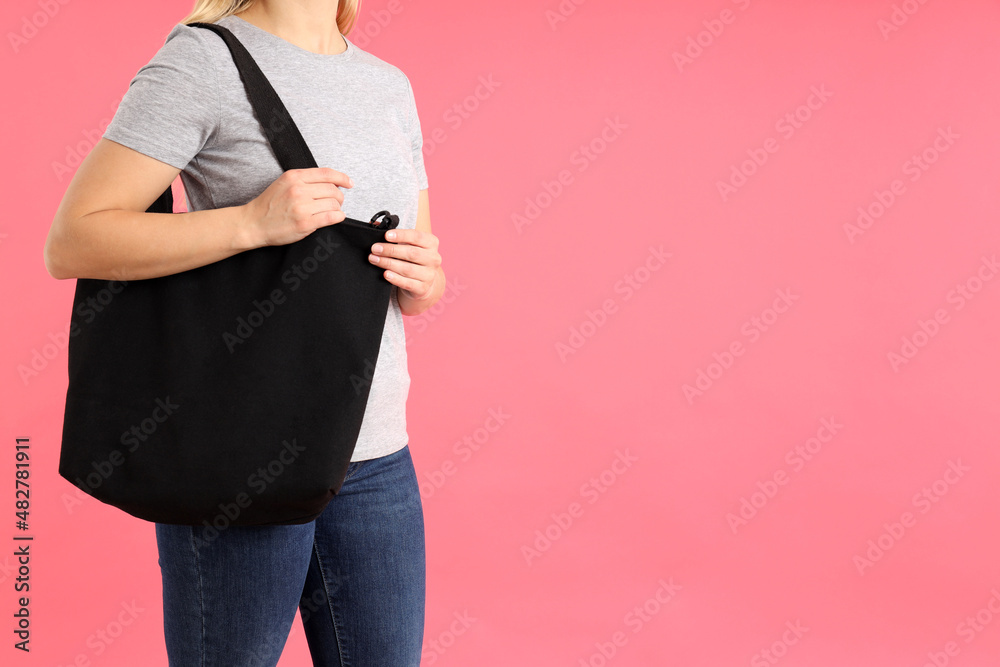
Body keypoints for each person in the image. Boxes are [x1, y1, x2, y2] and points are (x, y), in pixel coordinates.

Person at [43, 0, 444, 664]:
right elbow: (74, 240)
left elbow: (418, 266)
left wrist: (426, 280)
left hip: (376, 458)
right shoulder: (202, 60)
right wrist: (251, 224)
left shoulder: (387, 85)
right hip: (243, 455)